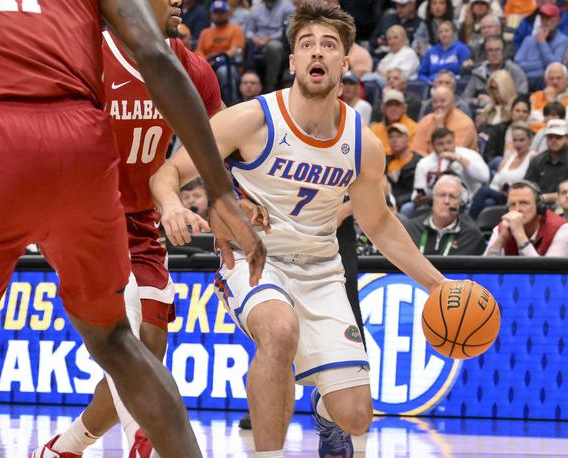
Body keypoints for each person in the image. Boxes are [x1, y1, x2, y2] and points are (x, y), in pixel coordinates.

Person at [0, 0, 267, 458]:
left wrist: (228, 193)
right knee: (119, 344)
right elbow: (155, 55)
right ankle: (90, 446)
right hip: (87, 164)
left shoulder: (195, 66)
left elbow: (222, 130)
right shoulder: (103, 39)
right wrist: (220, 193)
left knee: (146, 333)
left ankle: (81, 446)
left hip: (4, 147)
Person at [150, 3, 449, 456]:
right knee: (279, 328)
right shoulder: (252, 119)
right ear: (292, 61)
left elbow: (380, 223)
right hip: (256, 263)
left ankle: (327, 416)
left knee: (356, 415)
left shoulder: (363, 144)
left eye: (329, 46)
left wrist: (438, 284)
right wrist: (171, 205)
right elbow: (166, 173)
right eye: (307, 44)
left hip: (322, 271)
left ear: (345, 63)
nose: (318, 52)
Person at [404, 127, 490, 216]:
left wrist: (459, 159)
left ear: (454, 142)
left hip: (471, 201)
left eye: (449, 142)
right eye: (440, 144)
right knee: (408, 208)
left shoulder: (470, 155)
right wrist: (418, 198)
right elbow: (417, 190)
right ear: (433, 146)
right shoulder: (424, 163)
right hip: (437, 204)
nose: (445, 147)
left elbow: (485, 177)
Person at [484, 180, 568, 256]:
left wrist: (520, 236)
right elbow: (484, 272)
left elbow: (545, 276)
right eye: (512, 204)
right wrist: (501, 239)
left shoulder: (562, 229)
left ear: (539, 206)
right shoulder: (501, 228)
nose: (517, 209)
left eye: (524, 203)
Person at [403, 174, 486, 255]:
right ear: (433, 199)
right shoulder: (410, 229)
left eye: (452, 196)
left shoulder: (472, 236)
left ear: (461, 203)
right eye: (442, 195)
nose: (446, 201)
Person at [470, 123, 534, 217]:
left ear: (530, 140)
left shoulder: (532, 157)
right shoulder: (511, 157)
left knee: (484, 190)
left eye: (521, 140)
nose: (517, 144)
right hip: (499, 193)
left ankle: (469, 220)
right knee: (488, 203)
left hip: (514, 196)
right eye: (515, 140)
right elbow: (497, 179)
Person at [524, 119, 568, 202]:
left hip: (566, 206)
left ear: (567, 139)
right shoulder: (538, 160)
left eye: (558, 137)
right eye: (550, 136)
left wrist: (543, 198)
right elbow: (527, 187)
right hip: (539, 206)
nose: (554, 140)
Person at [462, 35, 528, 108]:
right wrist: (477, 101)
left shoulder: (515, 71)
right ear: (485, 54)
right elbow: (465, 98)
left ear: (503, 52)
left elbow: (522, 96)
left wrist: (493, 101)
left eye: (497, 50)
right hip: (482, 111)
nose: (494, 53)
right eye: (490, 50)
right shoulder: (478, 73)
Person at [514, 4, 568, 90]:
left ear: (558, 20)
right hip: (527, 82)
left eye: (549, 18)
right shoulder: (529, 40)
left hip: (549, 84)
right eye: (543, 18)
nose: (545, 21)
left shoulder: (563, 40)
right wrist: (541, 65)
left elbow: (555, 66)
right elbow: (517, 64)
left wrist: (542, 43)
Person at [413, 86, 479, 156]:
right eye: (435, 102)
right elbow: (417, 151)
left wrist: (439, 126)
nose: (438, 105)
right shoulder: (425, 121)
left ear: (453, 103)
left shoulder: (464, 123)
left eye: (443, 101)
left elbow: (451, 153)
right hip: (428, 164)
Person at [245, 0, 296, 92]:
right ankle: (251, 81)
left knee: (274, 47)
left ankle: (270, 86)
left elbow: (287, 31)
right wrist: (255, 38)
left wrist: (269, 39)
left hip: (279, 43)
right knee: (247, 44)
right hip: (257, 43)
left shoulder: (288, 7)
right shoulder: (255, 9)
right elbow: (248, 31)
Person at [529, 62, 568, 132]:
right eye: (551, 78)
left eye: (559, 78)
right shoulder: (536, 96)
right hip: (535, 134)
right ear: (546, 81)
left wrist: (552, 102)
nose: (555, 82)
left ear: (567, 80)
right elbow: (531, 118)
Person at [482, 95, 532, 162]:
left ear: (529, 115)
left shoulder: (532, 134)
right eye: (517, 111)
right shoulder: (499, 130)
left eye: (524, 112)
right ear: (511, 112)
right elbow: (489, 155)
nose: (521, 114)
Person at [370, 88, 418, 155]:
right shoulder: (375, 129)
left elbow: (411, 153)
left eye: (397, 105)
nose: (393, 108)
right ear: (383, 108)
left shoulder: (414, 128)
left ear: (404, 108)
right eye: (390, 105)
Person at [386, 123, 420, 208]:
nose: (394, 140)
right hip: (387, 202)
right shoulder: (384, 161)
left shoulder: (419, 161)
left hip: (410, 202)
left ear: (408, 138)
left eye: (398, 136)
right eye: (391, 137)